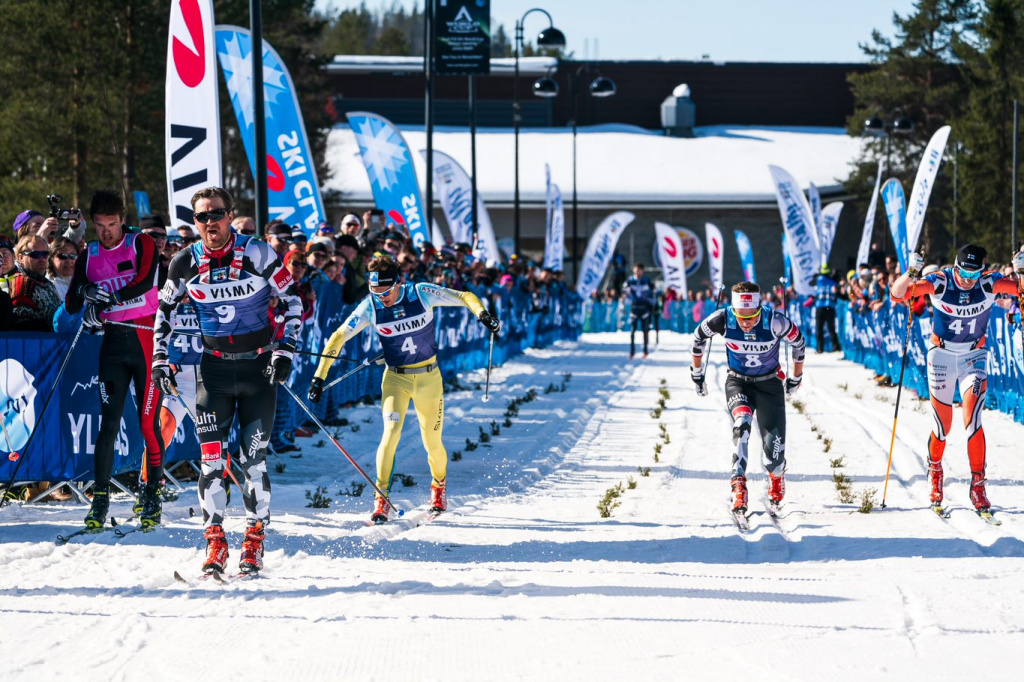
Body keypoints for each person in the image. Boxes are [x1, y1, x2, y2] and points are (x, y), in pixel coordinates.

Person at [153, 186, 302, 575]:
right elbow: (163, 312)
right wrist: (159, 358)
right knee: (210, 463)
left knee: (253, 463)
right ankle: (215, 543)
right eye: (201, 217)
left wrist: (284, 348)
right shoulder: (184, 262)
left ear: (230, 214)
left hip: (256, 371)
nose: (209, 223)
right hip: (214, 373)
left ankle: (253, 543)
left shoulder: (257, 253)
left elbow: (292, 301)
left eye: (216, 214)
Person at [307, 254, 501, 523]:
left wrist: (483, 315)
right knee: (391, 433)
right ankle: (381, 498)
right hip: (396, 379)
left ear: (398, 283)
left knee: (431, 442)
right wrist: (319, 377)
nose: (381, 298)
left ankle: (438, 488)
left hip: (428, 378)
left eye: (385, 292)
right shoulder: (371, 306)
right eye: (375, 292)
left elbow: (464, 296)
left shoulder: (420, 292)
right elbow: (339, 336)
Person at [889, 245, 1024, 516]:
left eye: (973, 275)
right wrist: (912, 271)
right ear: (955, 266)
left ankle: (978, 484)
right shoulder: (941, 281)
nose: (967, 280)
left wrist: (1020, 270)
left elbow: (1020, 290)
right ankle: (935, 470)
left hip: (973, 356)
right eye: (963, 273)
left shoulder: (988, 282)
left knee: (972, 420)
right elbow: (897, 295)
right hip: (941, 357)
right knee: (943, 426)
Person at [64, 190, 165, 529]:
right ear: (93, 224)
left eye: (112, 224)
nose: (107, 231)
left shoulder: (141, 244)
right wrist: (85, 293)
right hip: (112, 346)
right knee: (108, 424)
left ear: (122, 220)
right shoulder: (88, 255)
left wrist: (108, 299)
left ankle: (151, 494)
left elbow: (145, 281)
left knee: (148, 423)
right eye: (100, 225)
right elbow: (72, 304)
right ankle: (100, 501)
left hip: (146, 341)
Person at [690, 281, 806, 515]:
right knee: (741, 423)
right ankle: (738, 484)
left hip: (769, 384)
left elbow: (798, 342)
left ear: (759, 308)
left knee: (773, 455)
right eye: (741, 317)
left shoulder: (774, 320)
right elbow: (698, 339)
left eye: (752, 316)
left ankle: (776, 474)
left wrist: (796, 377)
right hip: (738, 381)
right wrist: (697, 374)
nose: (746, 322)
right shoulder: (722, 318)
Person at [9, 234, 61, 331]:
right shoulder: (22, 283)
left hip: (53, 342)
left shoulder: (48, 283)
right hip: (37, 343)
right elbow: (23, 326)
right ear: (21, 258)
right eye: (35, 255)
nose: (42, 259)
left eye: (45, 254)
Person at [625, 263, 654, 358]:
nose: (638, 272)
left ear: (643, 271)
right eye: (636, 270)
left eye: (640, 270)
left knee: (645, 331)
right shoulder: (630, 280)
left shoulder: (646, 280)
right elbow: (624, 291)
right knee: (632, 331)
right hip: (634, 308)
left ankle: (645, 351)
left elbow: (652, 291)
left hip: (644, 308)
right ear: (634, 270)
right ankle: (632, 351)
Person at [813, 264, 842, 353]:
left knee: (819, 328)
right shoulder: (834, 281)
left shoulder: (819, 279)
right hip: (830, 306)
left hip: (820, 306)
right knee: (831, 328)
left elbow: (811, 282)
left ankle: (820, 348)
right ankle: (836, 346)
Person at [46, 237, 79, 301]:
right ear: (51, 258)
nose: (69, 260)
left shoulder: (80, 280)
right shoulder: (48, 285)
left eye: (73, 255)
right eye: (63, 256)